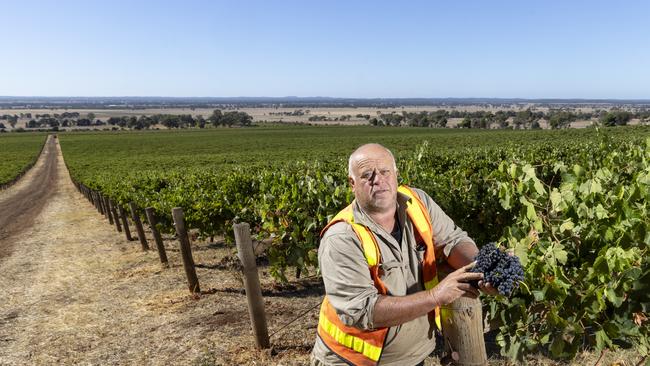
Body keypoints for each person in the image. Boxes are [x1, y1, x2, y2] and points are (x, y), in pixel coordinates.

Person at [311, 143, 497, 366]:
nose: (377, 179)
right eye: (366, 175)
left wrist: (481, 269)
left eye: (384, 171)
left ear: (396, 174)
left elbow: (454, 240)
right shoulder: (341, 237)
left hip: (413, 357)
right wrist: (437, 296)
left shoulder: (417, 203)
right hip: (353, 361)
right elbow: (362, 311)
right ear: (352, 184)